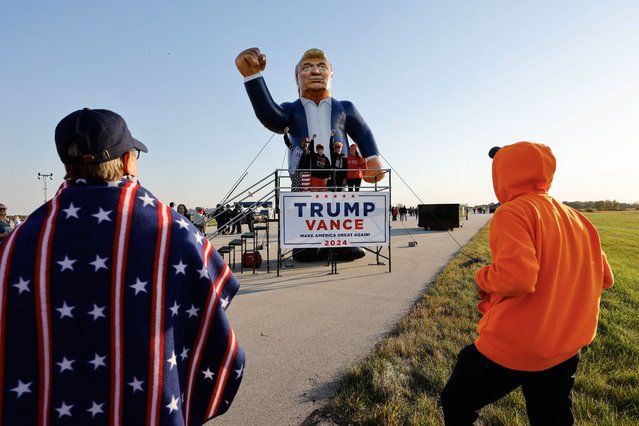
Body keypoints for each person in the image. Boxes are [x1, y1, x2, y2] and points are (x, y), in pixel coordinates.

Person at [0, 108, 244, 424]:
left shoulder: (16, 243)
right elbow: (217, 338)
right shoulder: (174, 233)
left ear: (66, 164)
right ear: (128, 161)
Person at [441, 142, 614, 425]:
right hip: (565, 346)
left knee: (456, 402)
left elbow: (517, 278)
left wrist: (482, 276)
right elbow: (605, 278)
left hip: (517, 344)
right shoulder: (576, 217)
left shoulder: (512, 212)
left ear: (502, 175)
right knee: (552, 417)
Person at [235, 47, 384, 184]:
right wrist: (252, 77)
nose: (315, 72)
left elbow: (363, 132)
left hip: (339, 176)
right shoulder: (291, 109)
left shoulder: (345, 108)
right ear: (297, 78)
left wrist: (372, 158)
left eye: (322, 67)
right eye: (307, 67)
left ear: (331, 75)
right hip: (303, 178)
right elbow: (270, 117)